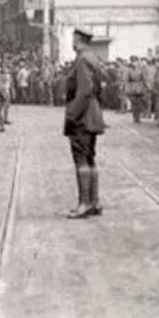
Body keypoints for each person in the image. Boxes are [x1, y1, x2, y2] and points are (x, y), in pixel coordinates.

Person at [63, 28, 106, 219]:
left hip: (83, 115)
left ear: (78, 39)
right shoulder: (92, 57)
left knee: (81, 159)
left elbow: (84, 90)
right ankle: (94, 201)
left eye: (73, 38)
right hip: (92, 113)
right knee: (89, 158)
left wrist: (72, 114)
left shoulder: (82, 60)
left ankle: (84, 204)